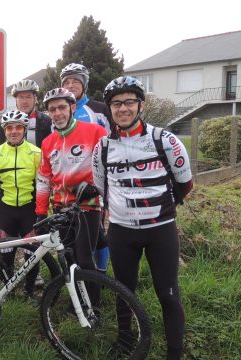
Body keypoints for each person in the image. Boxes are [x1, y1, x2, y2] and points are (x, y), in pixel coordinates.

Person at [93, 76, 192, 359]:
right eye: (116, 103)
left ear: (141, 105)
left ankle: (175, 351)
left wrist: (162, 208)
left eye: (129, 102)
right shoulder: (102, 148)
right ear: (109, 109)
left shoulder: (164, 140)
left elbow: (185, 184)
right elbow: (102, 189)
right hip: (122, 231)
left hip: (160, 230)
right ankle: (125, 341)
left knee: (168, 293)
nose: (122, 108)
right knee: (124, 292)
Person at [36, 88, 106, 280]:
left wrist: (100, 191)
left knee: (84, 260)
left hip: (87, 206)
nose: (57, 113)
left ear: (72, 107)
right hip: (60, 208)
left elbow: (110, 167)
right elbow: (43, 180)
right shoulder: (48, 142)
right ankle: (76, 303)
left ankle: (92, 307)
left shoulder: (95, 132)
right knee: (68, 258)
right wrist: (41, 212)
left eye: (61, 107)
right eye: (52, 109)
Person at [60, 62, 112, 273]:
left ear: (85, 84)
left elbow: (113, 141)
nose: (71, 85)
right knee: (78, 234)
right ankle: (80, 277)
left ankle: (100, 273)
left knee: (97, 230)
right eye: (67, 81)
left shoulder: (99, 109)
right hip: (67, 186)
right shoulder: (59, 109)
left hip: (94, 183)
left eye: (76, 81)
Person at [0, 110, 42, 299]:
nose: (14, 131)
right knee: (6, 255)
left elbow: (43, 186)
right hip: (6, 211)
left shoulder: (36, 153)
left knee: (32, 255)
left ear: (24, 130)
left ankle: (29, 290)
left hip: (29, 210)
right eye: (10, 128)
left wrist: (45, 211)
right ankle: (8, 290)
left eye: (18, 127)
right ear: (5, 130)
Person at [0, 79, 52, 149]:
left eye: (28, 97)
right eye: (21, 97)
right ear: (16, 100)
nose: (24, 101)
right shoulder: (5, 122)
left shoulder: (46, 121)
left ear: (35, 99)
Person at [60, 63, 111, 131]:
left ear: (84, 85)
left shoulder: (101, 109)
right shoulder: (57, 112)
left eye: (75, 82)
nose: (70, 86)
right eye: (66, 83)